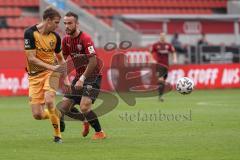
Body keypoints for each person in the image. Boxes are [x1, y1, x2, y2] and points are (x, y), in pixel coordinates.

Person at [24, 7, 70, 143]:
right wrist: (52, 66)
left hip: (51, 73)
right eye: (56, 22)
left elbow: (61, 59)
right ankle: (58, 115)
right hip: (34, 76)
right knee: (37, 115)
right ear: (48, 20)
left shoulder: (55, 37)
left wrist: (66, 78)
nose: (58, 26)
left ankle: (58, 136)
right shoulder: (30, 33)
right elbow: (31, 58)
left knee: (49, 100)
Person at [58, 11, 106, 140]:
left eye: (69, 23)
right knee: (64, 108)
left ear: (77, 24)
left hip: (92, 76)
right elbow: (62, 59)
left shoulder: (85, 39)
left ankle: (99, 132)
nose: (66, 26)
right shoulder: (66, 40)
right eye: (65, 23)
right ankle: (85, 120)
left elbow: (93, 60)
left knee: (85, 106)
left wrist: (82, 79)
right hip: (79, 77)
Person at [150, 32, 177, 101]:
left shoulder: (168, 45)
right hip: (159, 65)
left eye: (164, 36)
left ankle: (160, 93)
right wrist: (152, 59)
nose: (162, 37)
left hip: (166, 66)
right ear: (160, 36)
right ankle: (160, 96)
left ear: (165, 37)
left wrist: (174, 59)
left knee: (163, 81)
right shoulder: (156, 45)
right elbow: (150, 53)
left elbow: (173, 52)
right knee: (161, 80)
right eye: (161, 36)